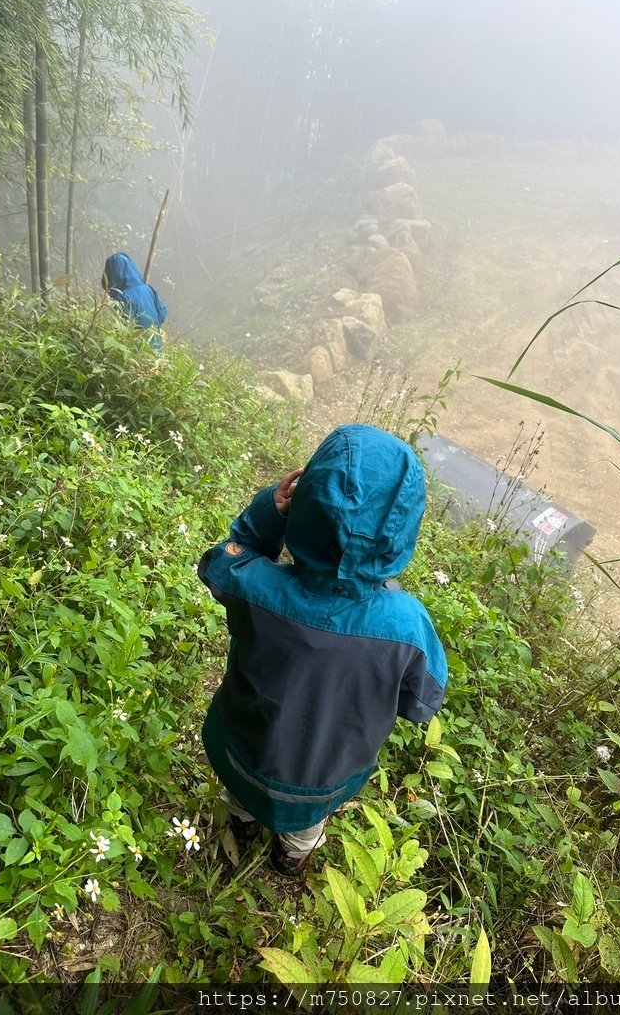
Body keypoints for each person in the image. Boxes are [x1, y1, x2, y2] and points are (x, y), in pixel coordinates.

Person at [198, 423, 448, 877]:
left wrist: (267, 514)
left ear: (304, 505)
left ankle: (240, 820)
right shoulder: (407, 625)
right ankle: (290, 857)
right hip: (323, 783)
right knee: (305, 828)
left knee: (240, 796)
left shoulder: (254, 585)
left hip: (241, 755)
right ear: (404, 529)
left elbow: (218, 563)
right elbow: (422, 703)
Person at [102, 252, 168, 351]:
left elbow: (119, 330)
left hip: (137, 353)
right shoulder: (148, 289)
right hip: (156, 352)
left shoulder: (122, 297)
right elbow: (162, 314)